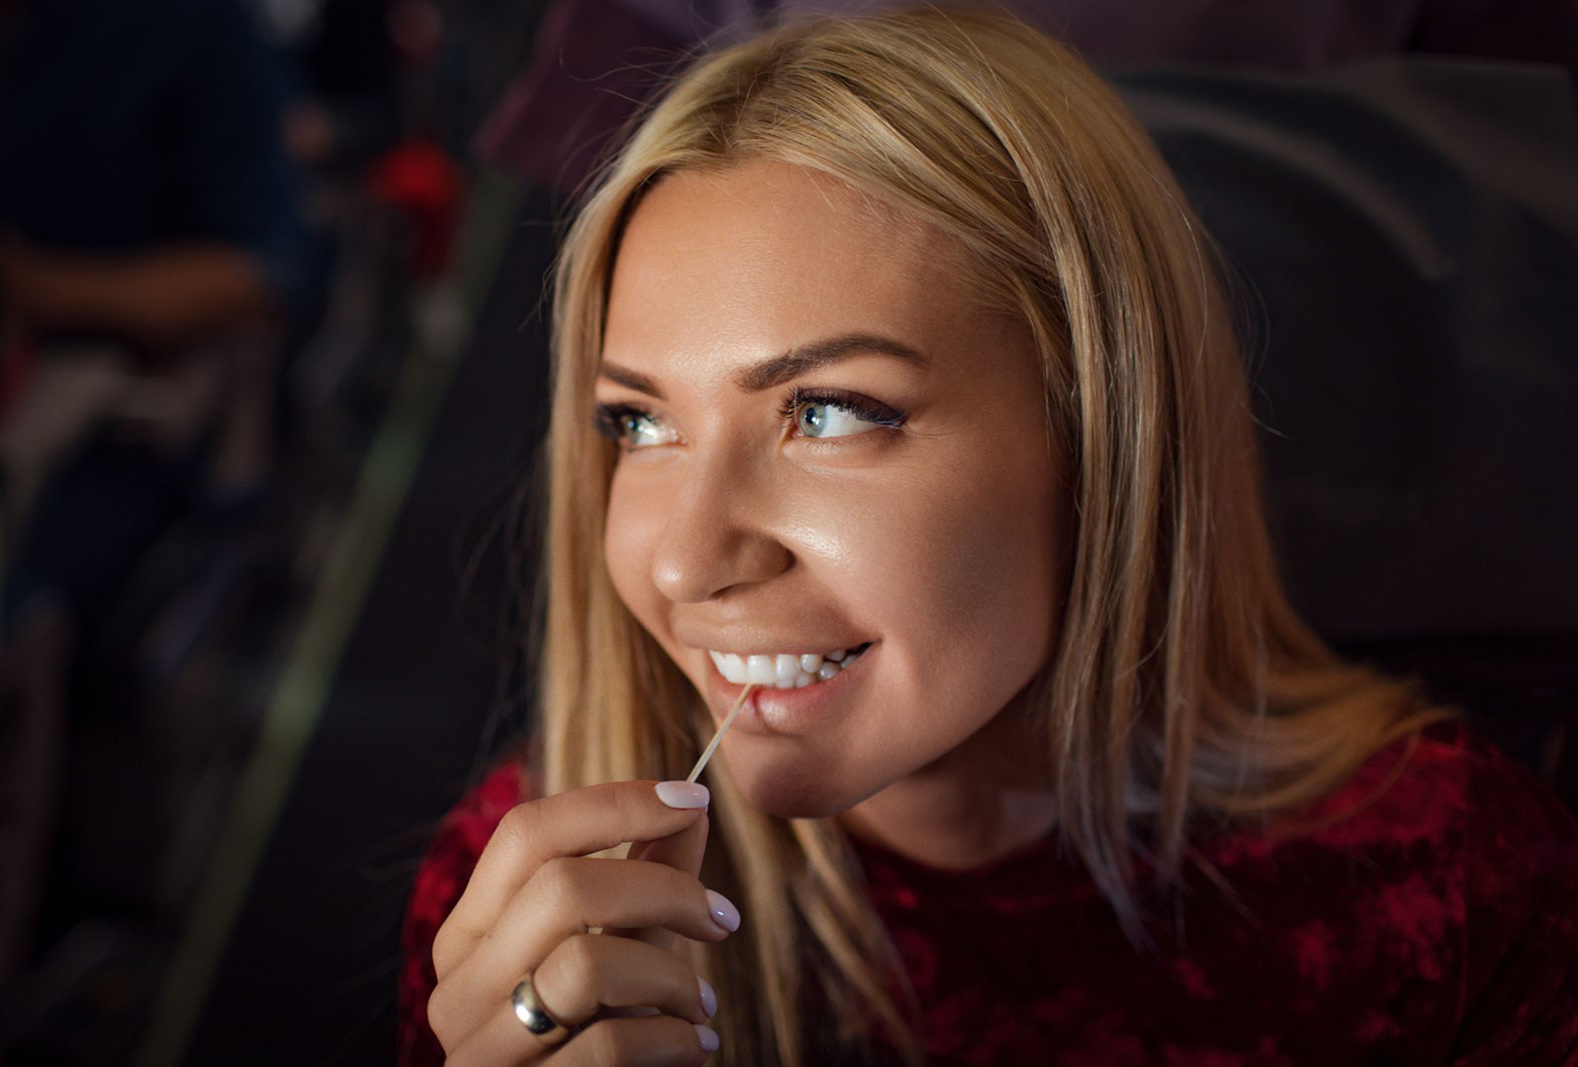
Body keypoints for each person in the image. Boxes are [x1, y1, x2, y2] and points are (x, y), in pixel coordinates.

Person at [400, 10, 1578, 1064]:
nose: (685, 560)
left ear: (1105, 431)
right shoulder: (526, 913)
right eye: (639, 423)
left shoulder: (1455, 889)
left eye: (829, 412)